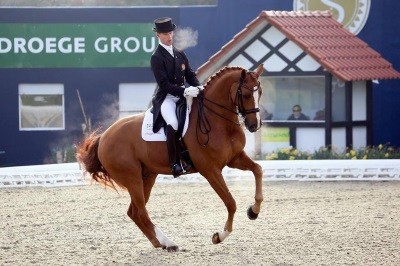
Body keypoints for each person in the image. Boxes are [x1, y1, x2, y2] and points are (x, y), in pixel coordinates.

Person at [150, 17, 203, 177]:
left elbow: (190, 74)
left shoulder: (179, 52)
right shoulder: (156, 57)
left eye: (171, 32)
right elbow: (164, 84)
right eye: (165, 34)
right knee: (173, 123)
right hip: (166, 97)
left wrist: (199, 86)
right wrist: (185, 92)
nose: (169, 36)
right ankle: (174, 163)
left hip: (183, 95)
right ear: (158, 35)